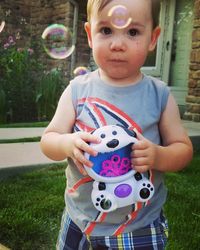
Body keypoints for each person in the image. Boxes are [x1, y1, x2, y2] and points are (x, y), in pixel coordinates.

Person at [40, 0, 193, 249]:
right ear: (90, 35)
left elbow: (183, 149)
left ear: (153, 38)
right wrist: (67, 143)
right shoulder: (77, 90)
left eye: (133, 32)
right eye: (106, 30)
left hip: (139, 225)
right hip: (80, 218)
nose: (117, 44)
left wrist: (157, 155)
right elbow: (49, 140)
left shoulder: (160, 95)